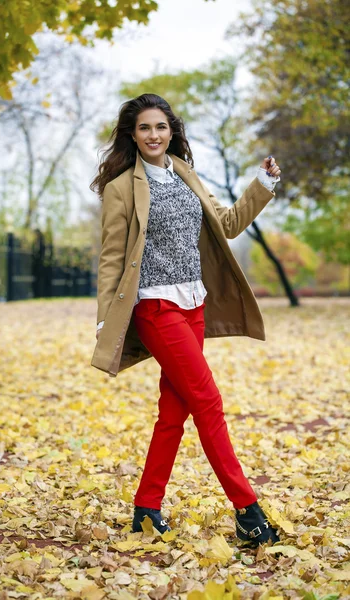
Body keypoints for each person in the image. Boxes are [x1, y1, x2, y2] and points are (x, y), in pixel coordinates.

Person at [90, 93, 281, 546]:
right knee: (208, 403)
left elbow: (228, 224)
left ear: (171, 130)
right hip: (156, 308)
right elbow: (111, 258)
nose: (153, 136)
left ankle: (146, 509)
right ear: (131, 136)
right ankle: (247, 510)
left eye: (160, 127)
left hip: (194, 306)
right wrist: (105, 320)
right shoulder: (121, 188)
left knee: (173, 414)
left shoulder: (184, 173)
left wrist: (262, 184)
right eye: (144, 129)